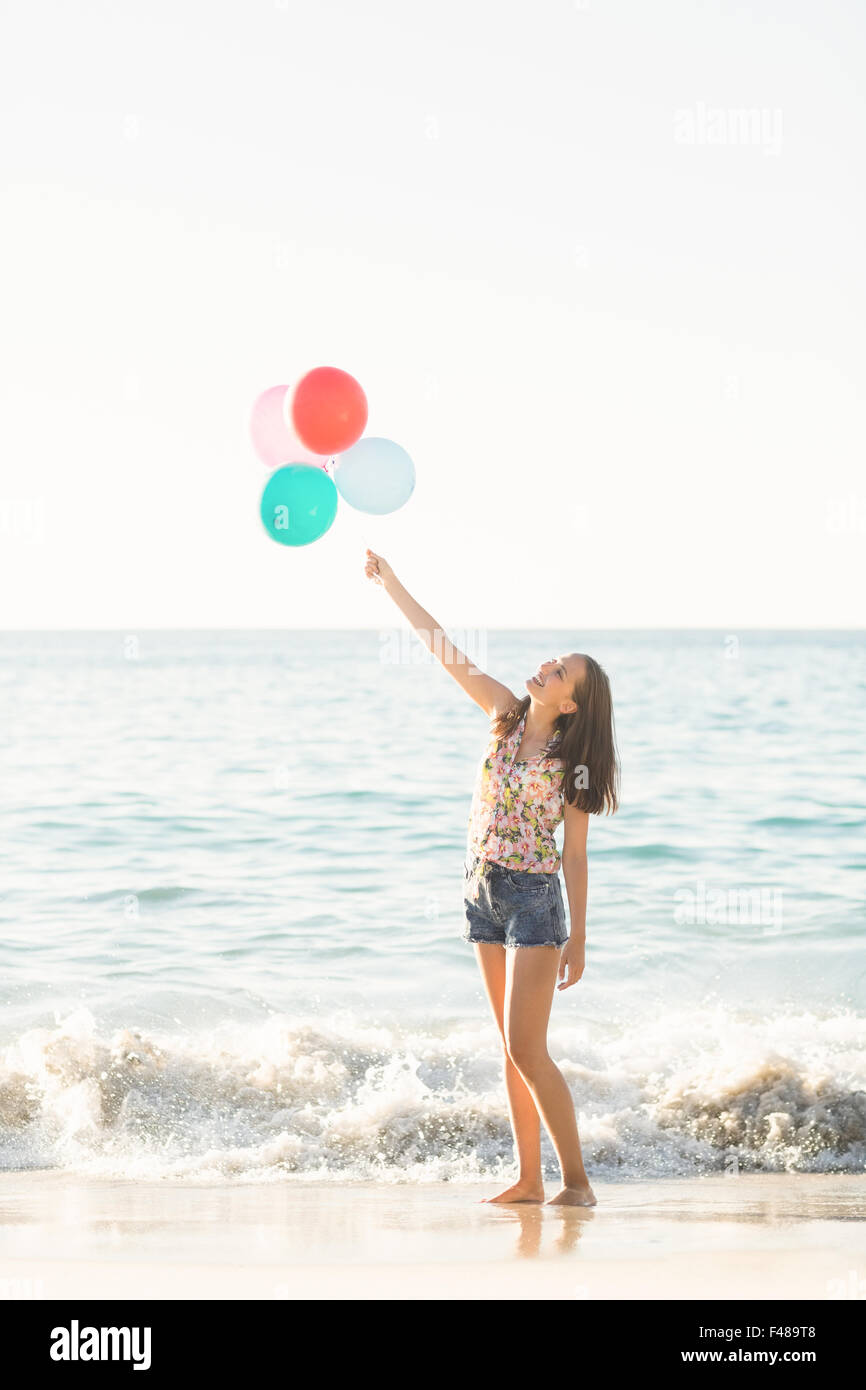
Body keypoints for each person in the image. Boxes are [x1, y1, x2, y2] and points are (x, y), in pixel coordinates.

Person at [364, 549, 620, 1206]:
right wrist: (393, 583)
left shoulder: (572, 766)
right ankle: (530, 1180)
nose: (545, 668)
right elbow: (443, 649)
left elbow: (576, 856)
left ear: (570, 703)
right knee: (509, 1050)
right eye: (551, 661)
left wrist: (580, 936)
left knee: (528, 1049)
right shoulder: (503, 713)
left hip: (535, 903)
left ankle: (579, 1184)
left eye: (559, 671)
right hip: (480, 893)